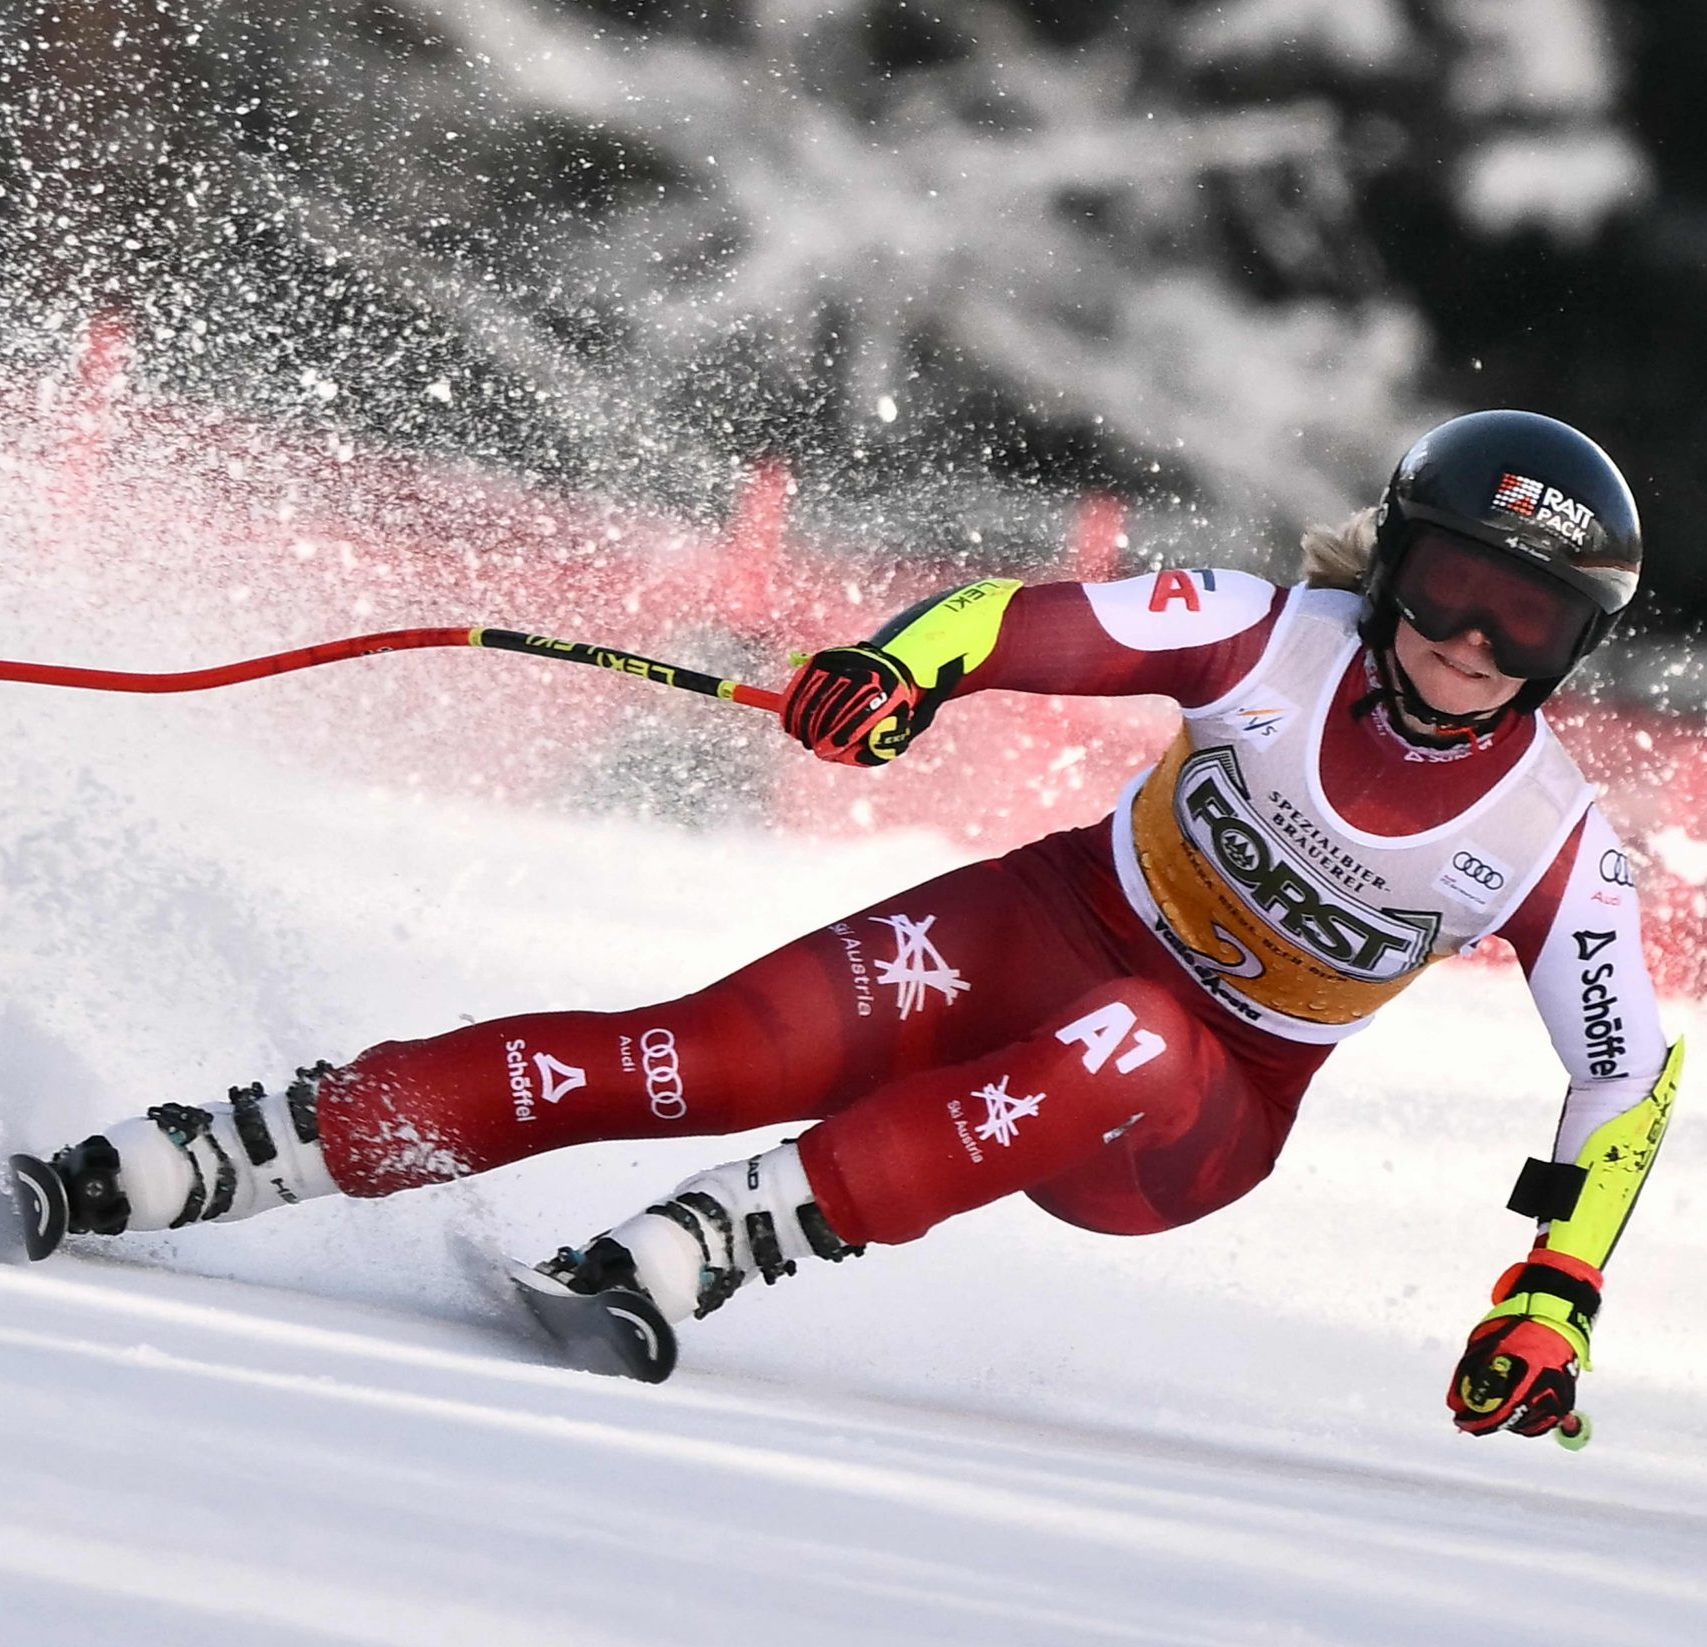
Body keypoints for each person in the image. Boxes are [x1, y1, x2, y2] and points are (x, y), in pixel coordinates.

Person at [43, 410, 1681, 1434]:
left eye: (1526, 621)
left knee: (1141, 1032)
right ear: (1391, 566)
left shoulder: (1549, 838)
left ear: (1572, 649)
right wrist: (894, 673)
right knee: (688, 1055)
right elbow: (1010, 621)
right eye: (1453, 588)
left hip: (1193, 1114)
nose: (1473, 644)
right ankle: (195, 1158)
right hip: (1040, 923)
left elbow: (1627, 1074)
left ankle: (715, 1244)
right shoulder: (1265, 633)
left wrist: (1555, 1288)